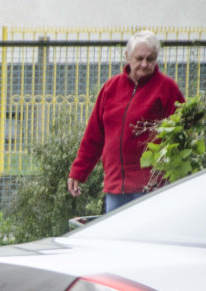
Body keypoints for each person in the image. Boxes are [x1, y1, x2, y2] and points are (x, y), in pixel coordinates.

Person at [67, 30, 184, 212]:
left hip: (151, 188)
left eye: (150, 59)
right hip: (116, 187)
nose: (144, 64)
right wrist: (78, 172)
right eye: (139, 58)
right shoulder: (110, 89)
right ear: (127, 57)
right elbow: (94, 136)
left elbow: (182, 133)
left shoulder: (167, 88)